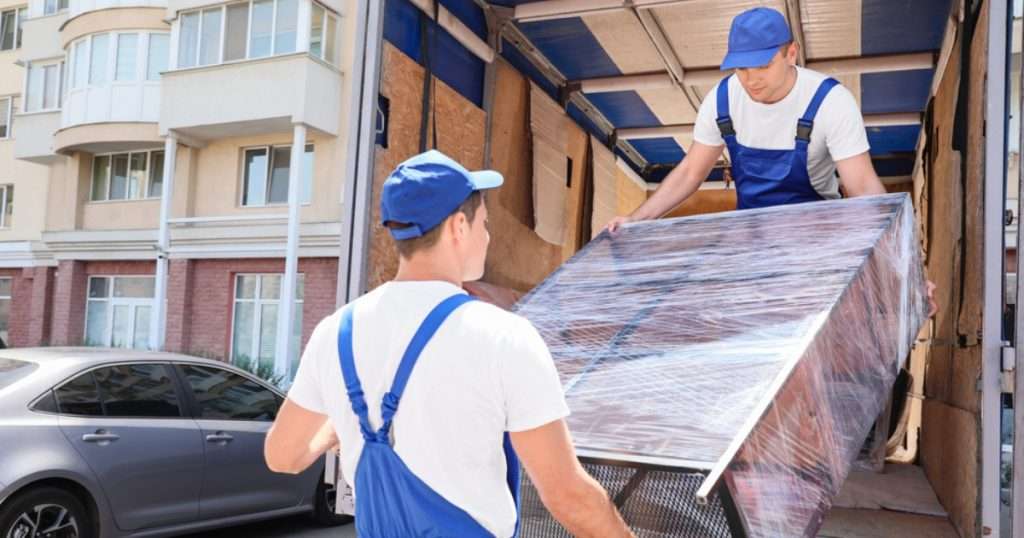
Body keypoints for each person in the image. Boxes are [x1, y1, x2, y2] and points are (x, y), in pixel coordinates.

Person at [264, 150, 633, 537]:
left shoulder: (335, 331)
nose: (487, 238)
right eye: (484, 225)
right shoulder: (503, 337)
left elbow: (282, 455)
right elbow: (568, 496)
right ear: (459, 226)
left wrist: (344, 425)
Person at [608, 6, 937, 316]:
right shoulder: (721, 101)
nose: (751, 80)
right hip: (751, 246)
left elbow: (864, 189)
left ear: (790, 53)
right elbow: (691, 172)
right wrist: (638, 220)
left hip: (817, 244)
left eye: (763, 65)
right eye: (741, 69)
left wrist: (904, 271)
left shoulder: (829, 102)